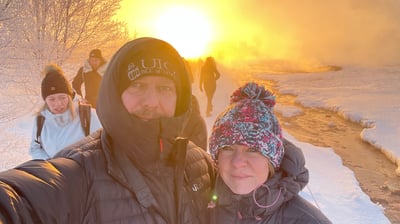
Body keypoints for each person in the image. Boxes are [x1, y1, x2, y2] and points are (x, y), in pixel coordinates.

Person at [0, 37, 215, 224]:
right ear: (115, 93)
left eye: (165, 88)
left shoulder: (199, 164)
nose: (151, 101)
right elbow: (24, 198)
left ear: (180, 98)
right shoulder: (81, 172)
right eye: (138, 85)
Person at [207, 82, 332, 223]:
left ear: (272, 160)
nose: (237, 162)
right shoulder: (199, 204)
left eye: (253, 150)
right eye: (227, 148)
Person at [29, 64, 102, 160]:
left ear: (69, 97)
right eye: (52, 99)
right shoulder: (40, 120)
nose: (58, 104)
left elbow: (103, 146)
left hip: (84, 173)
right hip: (53, 173)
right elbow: (35, 148)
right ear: (45, 100)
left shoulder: (87, 115)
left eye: (62, 97)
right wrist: (50, 164)